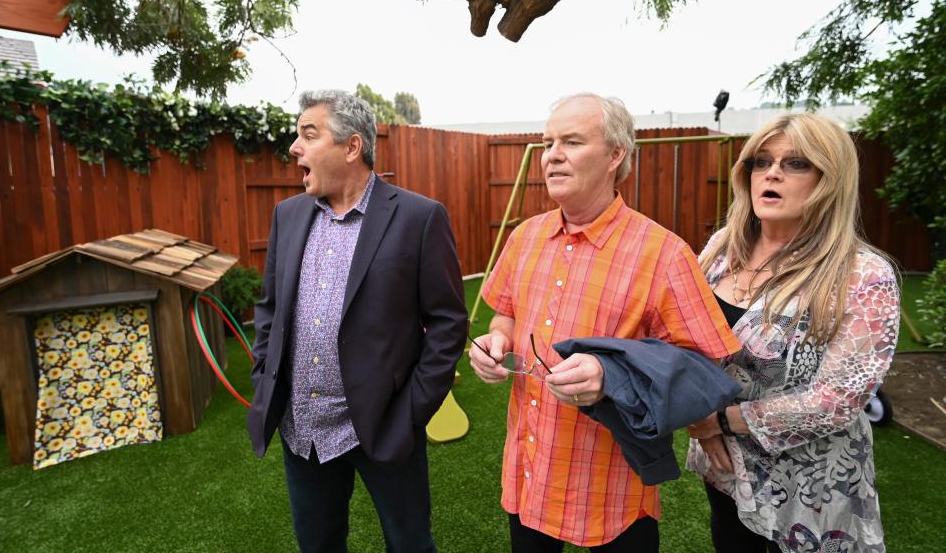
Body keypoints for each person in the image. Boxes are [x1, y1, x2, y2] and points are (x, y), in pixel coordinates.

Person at [469, 93, 741, 552]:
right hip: (530, 466)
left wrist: (611, 374)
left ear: (616, 155)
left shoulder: (663, 252)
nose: (552, 155)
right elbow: (506, 315)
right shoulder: (525, 237)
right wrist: (495, 343)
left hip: (612, 482)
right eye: (547, 142)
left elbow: (703, 366)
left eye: (571, 142)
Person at [246, 89, 467, 553]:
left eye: (309, 134)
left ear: (352, 147)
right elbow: (269, 308)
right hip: (301, 426)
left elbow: (447, 323)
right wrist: (265, 371)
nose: (294, 147)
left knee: (410, 543)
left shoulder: (418, 217)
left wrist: (412, 411)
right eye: (296, 135)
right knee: (319, 544)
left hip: (385, 423)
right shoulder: (287, 216)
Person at [686, 113, 900, 553]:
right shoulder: (723, 247)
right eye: (760, 162)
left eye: (797, 163)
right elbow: (684, 332)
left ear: (831, 178)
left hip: (810, 487)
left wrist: (720, 421)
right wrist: (702, 426)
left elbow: (838, 401)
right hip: (726, 471)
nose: (773, 173)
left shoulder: (864, 274)